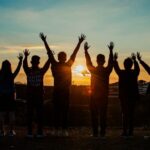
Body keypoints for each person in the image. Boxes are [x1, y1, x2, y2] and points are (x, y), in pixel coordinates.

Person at [40, 33, 85, 136]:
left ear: (59, 57)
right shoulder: (68, 65)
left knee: (57, 112)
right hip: (65, 91)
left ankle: (57, 130)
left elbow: (49, 53)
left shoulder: (55, 64)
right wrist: (79, 42)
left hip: (57, 91)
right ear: (64, 58)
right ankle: (63, 130)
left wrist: (45, 41)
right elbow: (74, 53)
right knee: (64, 112)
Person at [84, 41, 114, 138]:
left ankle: (95, 133)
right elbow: (111, 63)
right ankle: (102, 133)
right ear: (103, 61)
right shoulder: (106, 71)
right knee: (103, 115)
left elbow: (88, 62)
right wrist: (111, 51)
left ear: (97, 61)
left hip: (94, 95)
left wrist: (86, 51)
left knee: (94, 115)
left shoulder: (93, 70)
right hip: (104, 96)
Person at [23, 49, 50, 138]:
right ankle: (39, 132)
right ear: (38, 62)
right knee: (39, 115)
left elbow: (24, 65)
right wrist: (49, 57)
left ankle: (30, 132)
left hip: (30, 96)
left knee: (30, 115)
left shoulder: (28, 71)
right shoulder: (41, 71)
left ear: (32, 62)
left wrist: (26, 56)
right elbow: (47, 65)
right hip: (39, 97)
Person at [113, 53, 140, 137]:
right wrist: (135, 60)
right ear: (131, 65)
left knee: (124, 114)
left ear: (124, 65)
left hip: (124, 97)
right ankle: (130, 132)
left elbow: (116, 68)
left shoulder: (122, 73)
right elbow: (138, 69)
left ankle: (125, 131)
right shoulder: (134, 73)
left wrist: (115, 60)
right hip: (132, 96)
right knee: (131, 114)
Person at [0, 54, 23, 137]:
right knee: (11, 114)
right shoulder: (11, 75)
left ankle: (1, 131)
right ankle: (11, 131)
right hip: (10, 96)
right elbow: (17, 69)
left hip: (2, 96)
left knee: (1, 114)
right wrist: (20, 61)